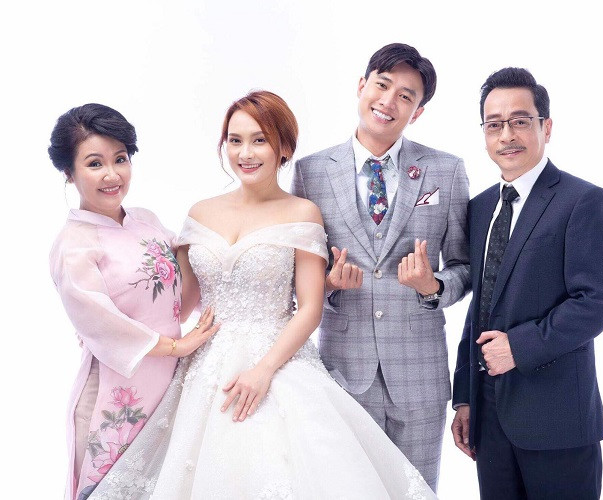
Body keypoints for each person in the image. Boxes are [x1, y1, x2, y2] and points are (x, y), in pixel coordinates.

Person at [86, 91, 437, 499]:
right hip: (205, 364)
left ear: (284, 147)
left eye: (259, 140)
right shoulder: (200, 212)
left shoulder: (301, 212)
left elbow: (309, 309)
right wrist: (112, 315)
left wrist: (264, 370)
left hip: (279, 359)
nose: (245, 153)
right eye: (235, 140)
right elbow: (178, 303)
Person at [291, 42, 470, 490]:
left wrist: (432, 286)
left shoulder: (445, 170)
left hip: (420, 375)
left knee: (417, 492)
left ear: (418, 111)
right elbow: (295, 276)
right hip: (343, 372)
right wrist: (329, 285)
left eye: (406, 96)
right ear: (361, 85)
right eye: (382, 85)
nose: (389, 101)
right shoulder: (311, 172)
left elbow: (465, 265)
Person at [450, 68, 603, 499]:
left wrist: (519, 347)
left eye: (520, 121)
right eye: (494, 125)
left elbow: (597, 300)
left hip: (557, 418)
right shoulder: (480, 207)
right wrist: (465, 397)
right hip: (489, 417)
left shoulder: (582, 200)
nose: (507, 135)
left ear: (546, 127)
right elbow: (480, 305)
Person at [48, 103, 220, 500]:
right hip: (114, 396)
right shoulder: (73, 246)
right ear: (68, 172)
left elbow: (187, 282)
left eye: (120, 159)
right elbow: (102, 324)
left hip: (170, 384)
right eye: (94, 163)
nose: (112, 175)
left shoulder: (146, 220)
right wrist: (178, 346)